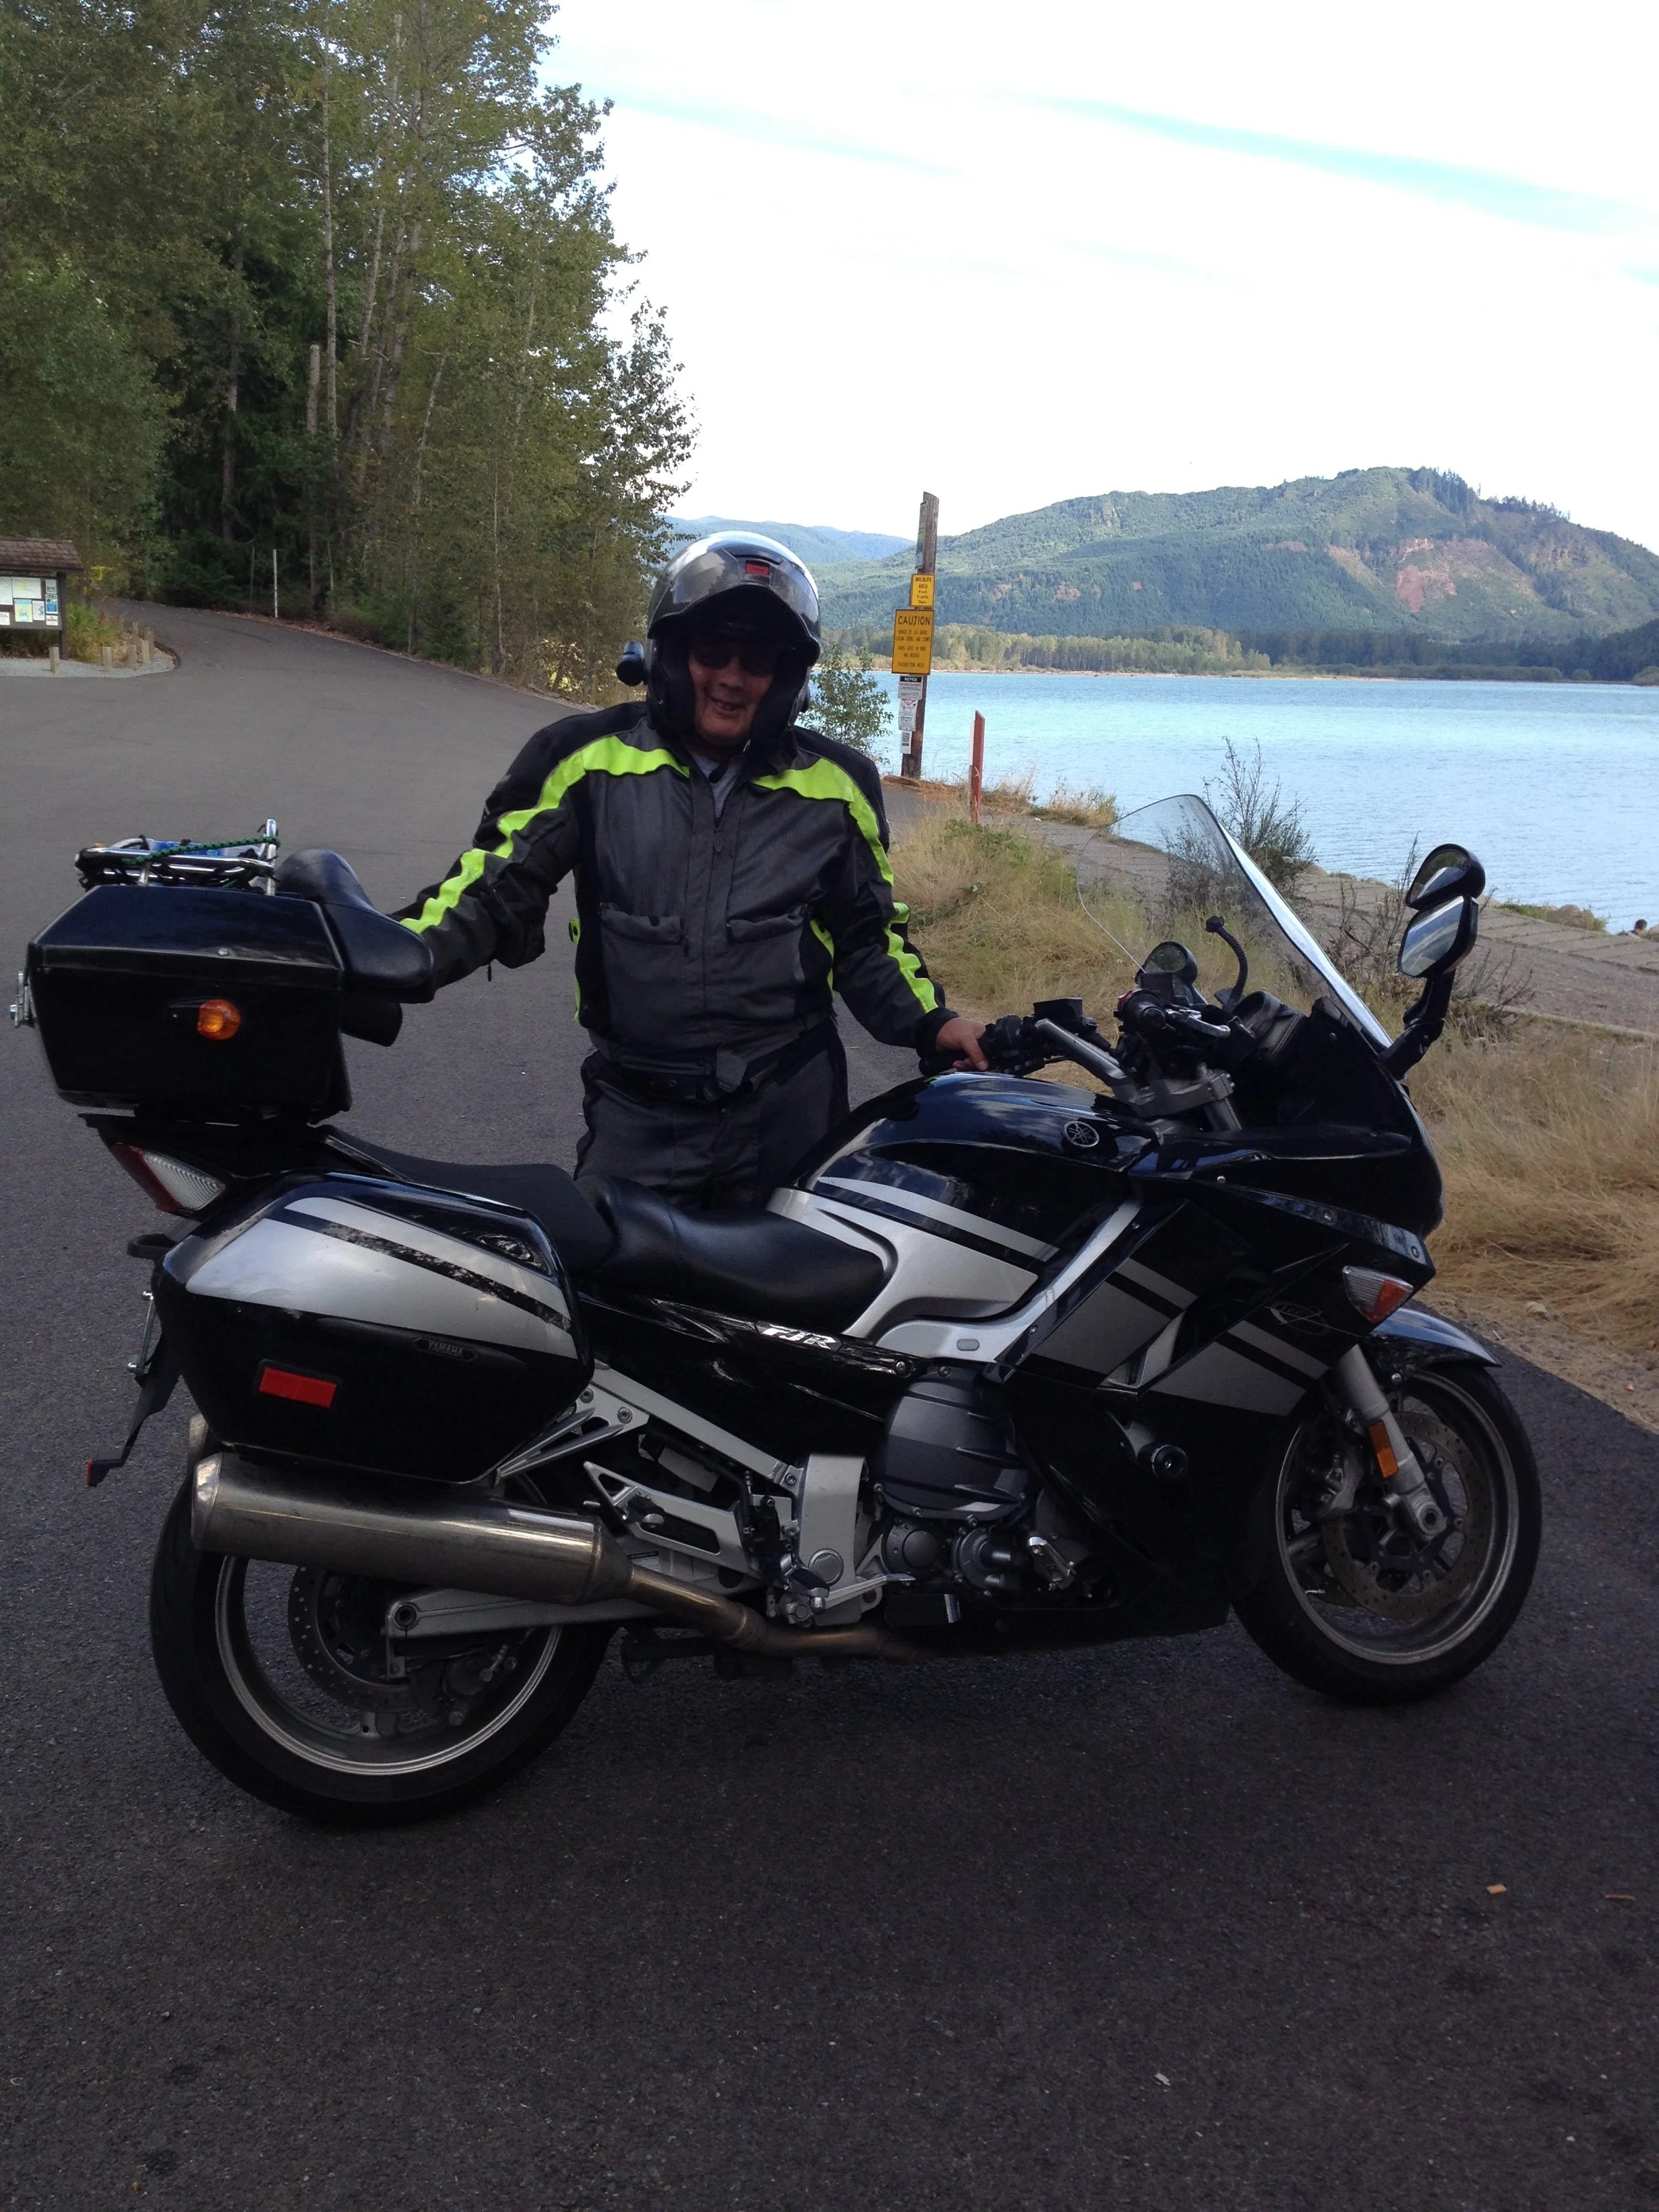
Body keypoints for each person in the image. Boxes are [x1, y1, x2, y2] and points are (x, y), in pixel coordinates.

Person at [397, 532, 986, 1206]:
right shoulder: (585, 759)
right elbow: (489, 891)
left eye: (758, 660)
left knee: (811, 1273)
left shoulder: (838, 785)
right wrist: (389, 954)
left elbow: (868, 942)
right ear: (671, 655)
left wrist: (934, 1024)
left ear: (788, 678)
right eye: (713, 651)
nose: (732, 678)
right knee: (599, 1262)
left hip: (788, 1106)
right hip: (640, 1109)